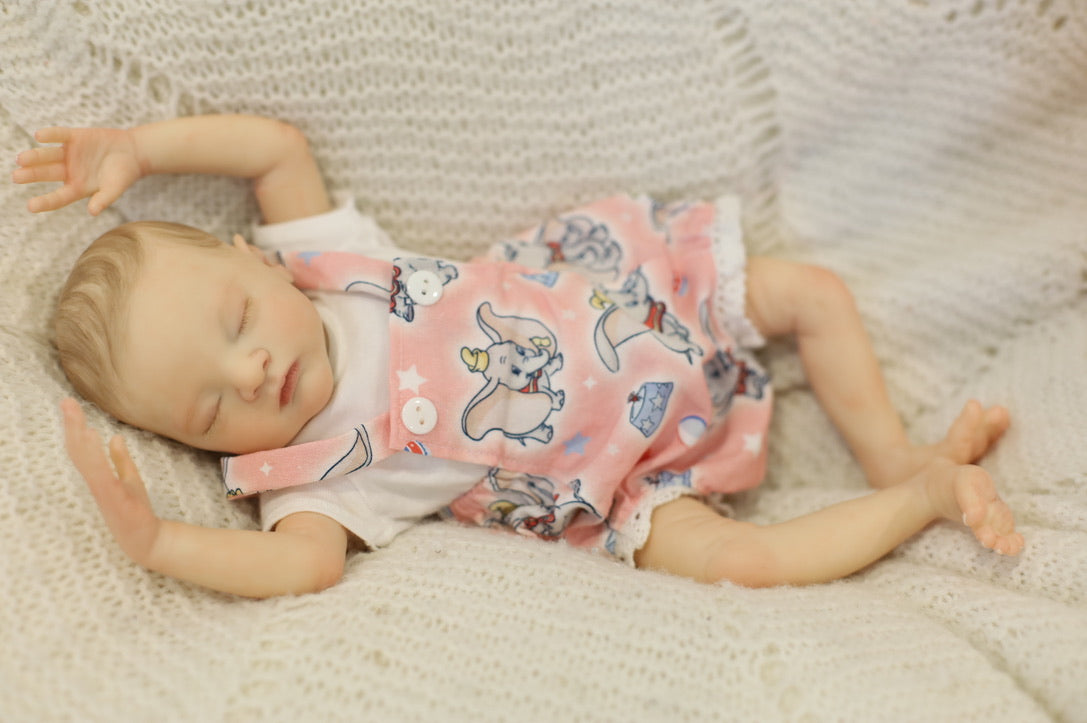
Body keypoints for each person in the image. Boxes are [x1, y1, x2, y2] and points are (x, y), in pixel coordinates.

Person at [13, 114, 1024, 599]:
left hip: (633, 305)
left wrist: (143, 150)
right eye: (209, 411)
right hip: (620, 483)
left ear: (255, 259)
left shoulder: (327, 260)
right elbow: (300, 566)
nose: (248, 373)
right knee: (746, 563)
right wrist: (160, 544)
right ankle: (919, 499)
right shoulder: (317, 481)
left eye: (238, 319)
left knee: (812, 294)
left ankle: (892, 454)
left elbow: (274, 148)